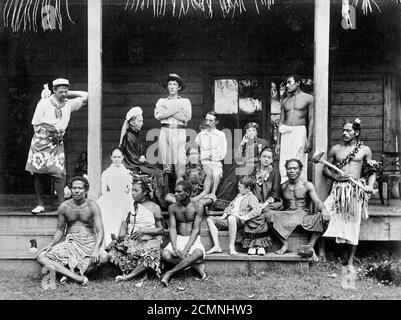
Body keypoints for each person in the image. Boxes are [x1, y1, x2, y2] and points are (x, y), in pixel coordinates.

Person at [26, 78, 88, 214]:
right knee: (38, 172)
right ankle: (40, 204)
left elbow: (87, 95)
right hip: (42, 140)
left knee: (59, 173)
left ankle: (61, 205)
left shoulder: (68, 104)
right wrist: (43, 138)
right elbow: (35, 123)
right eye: (61, 91)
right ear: (54, 91)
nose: (64, 94)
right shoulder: (44, 103)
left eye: (66, 91)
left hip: (57, 141)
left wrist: (68, 92)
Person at [322, 119, 376, 268]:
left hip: (354, 190)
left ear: (356, 133)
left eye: (348, 131)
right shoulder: (336, 149)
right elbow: (325, 169)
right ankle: (321, 251)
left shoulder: (365, 150)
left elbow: (372, 171)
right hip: (338, 189)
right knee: (324, 212)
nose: (344, 133)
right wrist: (335, 177)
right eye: (343, 130)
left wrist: (370, 185)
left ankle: (350, 260)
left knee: (353, 223)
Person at [36, 176, 108, 286]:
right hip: (70, 243)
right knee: (41, 256)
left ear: (86, 190)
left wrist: (96, 249)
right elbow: (60, 230)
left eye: (80, 188)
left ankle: (71, 275)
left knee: (104, 257)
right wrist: (51, 244)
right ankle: (77, 277)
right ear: (70, 189)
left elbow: (100, 231)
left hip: (89, 243)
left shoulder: (92, 206)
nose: (77, 191)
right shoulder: (64, 206)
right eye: (74, 188)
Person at [265, 159, 327, 260]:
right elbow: (278, 202)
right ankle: (285, 244)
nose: (292, 171)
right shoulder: (283, 186)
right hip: (288, 216)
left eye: (295, 168)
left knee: (324, 218)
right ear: (286, 170)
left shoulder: (307, 185)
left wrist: (324, 210)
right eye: (289, 168)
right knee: (268, 215)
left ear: (300, 170)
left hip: (304, 216)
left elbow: (317, 201)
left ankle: (310, 246)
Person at [108, 177, 164, 283]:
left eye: (136, 191)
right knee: (111, 249)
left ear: (145, 192)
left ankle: (129, 276)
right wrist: (121, 236)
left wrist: (144, 231)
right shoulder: (129, 206)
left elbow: (161, 230)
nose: (132, 193)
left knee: (150, 255)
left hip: (149, 240)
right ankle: (139, 270)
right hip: (132, 240)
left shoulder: (154, 207)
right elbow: (124, 224)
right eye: (132, 190)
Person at [120, 106, 168, 209]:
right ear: (132, 123)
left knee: (162, 172)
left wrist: (142, 157)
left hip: (138, 162)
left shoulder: (135, 135)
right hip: (132, 164)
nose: (142, 123)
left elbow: (139, 152)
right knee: (157, 173)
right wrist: (139, 159)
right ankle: (160, 202)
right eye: (140, 121)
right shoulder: (128, 136)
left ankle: (161, 200)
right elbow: (130, 155)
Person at [161, 181, 206, 286]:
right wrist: (174, 247)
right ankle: (195, 266)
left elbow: (195, 229)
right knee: (165, 254)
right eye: (175, 191)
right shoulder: (172, 207)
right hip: (179, 238)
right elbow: (172, 228)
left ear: (188, 193)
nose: (175, 194)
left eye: (179, 192)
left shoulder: (198, 206)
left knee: (198, 253)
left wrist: (186, 249)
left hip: (192, 239)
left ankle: (169, 273)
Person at [239, 147, 282, 255]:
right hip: (254, 200)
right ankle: (254, 244)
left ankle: (260, 244)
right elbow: (249, 187)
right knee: (252, 210)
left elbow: (276, 193)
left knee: (263, 212)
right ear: (260, 158)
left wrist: (264, 204)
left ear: (272, 160)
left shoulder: (275, 173)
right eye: (264, 156)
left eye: (269, 157)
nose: (266, 159)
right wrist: (255, 203)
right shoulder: (253, 170)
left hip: (270, 202)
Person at [206, 176, 261, 256]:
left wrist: (243, 217)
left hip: (239, 222)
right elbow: (230, 205)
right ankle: (217, 246)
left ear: (248, 188)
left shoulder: (251, 197)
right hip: (229, 219)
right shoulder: (239, 195)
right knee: (210, 219)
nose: (238, 188)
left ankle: (231, 247)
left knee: (232, 218)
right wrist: (225, 214)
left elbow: (257, 210)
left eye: (240, 187)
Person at [154, 74, 191, 191]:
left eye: (174, 84)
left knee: (179, 162)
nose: (172, 86)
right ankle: (167, 194)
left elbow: (187, 117)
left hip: (179, 131)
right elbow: (158, 115)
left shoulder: (185, 101)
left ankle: (178, 193)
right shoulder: (161, 101)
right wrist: (176, 109)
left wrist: (167, 110)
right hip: (164, 130)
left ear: (179, 87)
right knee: (166, 163)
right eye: (170, 84)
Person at [274, 75, 313, 184]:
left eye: (289, 82)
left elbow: (311, 120)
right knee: (284, 162)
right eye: (286, 83)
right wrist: (278, 143)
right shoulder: (285, 100)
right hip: (286, 133)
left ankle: (300, 189)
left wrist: (309, 141)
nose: (287, 85)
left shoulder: (308, 98)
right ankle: (285, 189)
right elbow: (281, 122)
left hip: (299, 132)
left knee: (299, 161)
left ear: (298, 83)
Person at [216, 122, 268, 203]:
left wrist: (248, 160)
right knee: (233, 175)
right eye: (248, 131)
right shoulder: (244, 142)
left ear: (257, 132)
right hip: (243, 165)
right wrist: (242, 143)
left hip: (256, 165)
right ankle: (226, 200)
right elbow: (238, 157)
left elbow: (262, 157)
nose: (251, 132)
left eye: (253, 130)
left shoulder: (262, 142)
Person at [96, 147, 132, 247]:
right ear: (111, 157)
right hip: (110, 199)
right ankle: (108, 244)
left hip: (124, 199)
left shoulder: (127, 173)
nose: (117, 159)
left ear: (123, 157)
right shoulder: (106, 173)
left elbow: (130, 189)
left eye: (119, 157)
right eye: (115, 157)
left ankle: (120, 245)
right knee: (107, 219)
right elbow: (104, 191)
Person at [165, 142, 216, 208]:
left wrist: (195, 199)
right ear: (187, 156)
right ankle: (192, 207)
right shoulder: (182, 170)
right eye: (190, 154)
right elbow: (178, 189)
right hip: (185, 198)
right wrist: (186, 199)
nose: (193, 156)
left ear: (199, 155)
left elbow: (206, 190)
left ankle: (188, 207)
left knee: (210, 199)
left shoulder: (207, 170)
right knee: (168, 197)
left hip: (200, 198)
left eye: (195, 154)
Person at [195, 111, 227, 194]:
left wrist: (206, 154)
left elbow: (221, 155)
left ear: (216, 122)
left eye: (210, 121)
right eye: (206, 120)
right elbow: (194, 150)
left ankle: (212, 196)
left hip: (215, 164)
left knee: (215, 175)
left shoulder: (221, 135)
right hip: (202, 164)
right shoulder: (200, 135)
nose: (207, 123)